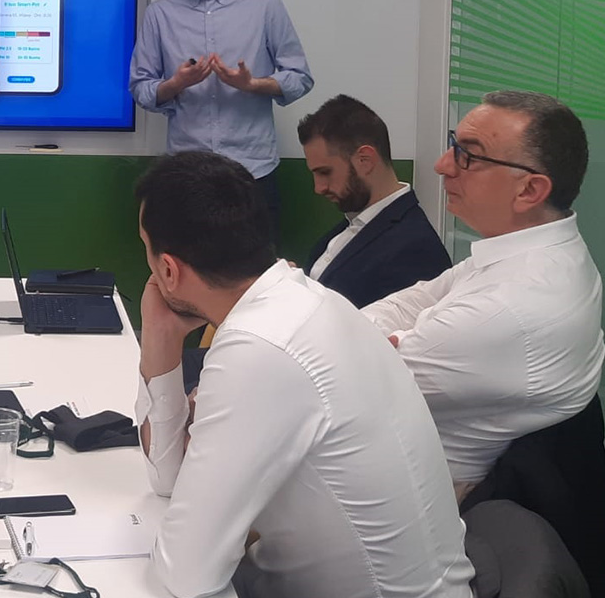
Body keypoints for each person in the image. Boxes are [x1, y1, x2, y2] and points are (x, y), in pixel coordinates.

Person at [135, 151, 472, 598]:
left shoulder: (260, 346)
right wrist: (161, 338)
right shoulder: (308, 301)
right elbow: (169, 480)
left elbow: (187, 574)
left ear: (168, 269)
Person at [363, 90, 604, 496]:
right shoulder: (538, 252)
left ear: (529, 190)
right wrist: (389, 332)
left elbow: (344, 379)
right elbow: (415, 298)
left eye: (468, 156)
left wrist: (374, 335)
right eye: (454, 144)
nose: (443, 165)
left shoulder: (510, 306)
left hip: (405, 499)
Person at [129, 0, 312, 232]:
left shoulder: (265, 6)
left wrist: (253, 85)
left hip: (252, 173)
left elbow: (300, 78)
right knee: (187, 264)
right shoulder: (160, 14)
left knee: (256, 265)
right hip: (187, 176)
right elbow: (140, 88)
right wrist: (176, 84)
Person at [297, 94, 450, 307]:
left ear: (365, 160)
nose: (319, 188)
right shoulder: (352, 225)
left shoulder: (416, 249)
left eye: (325, 172)